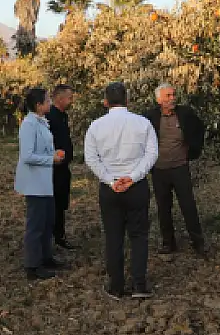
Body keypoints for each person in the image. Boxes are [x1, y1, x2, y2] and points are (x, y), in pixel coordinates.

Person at [83, 81, 158, 298]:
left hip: (110, 188)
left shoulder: (96, 126)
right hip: (136, 187)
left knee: (113, 237)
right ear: (127, 100)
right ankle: (139, 285)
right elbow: (151, 154)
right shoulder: (142, 123)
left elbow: (91, 158)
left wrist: (109, 179)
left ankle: (116, 286)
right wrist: (133, 177)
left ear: (105, 102)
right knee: (139, 235)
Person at [144, 83, 207, 256]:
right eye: (168, 96)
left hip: (180, 167)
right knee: (163, 207)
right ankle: (168, 243)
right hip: (159, 170)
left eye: (173, 95)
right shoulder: (150, 117)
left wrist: (192, 151)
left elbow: (199, 130)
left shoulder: (185, 113)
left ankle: (198, 242)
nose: (172, 99)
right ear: (159, 100)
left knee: (188, 205)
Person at [15, 87, 65, 281]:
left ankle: (46, 257)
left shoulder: (41, 122)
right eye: (47, 101)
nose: (50, 104)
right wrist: (51, 159)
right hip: (34, 183)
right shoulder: (29, 125)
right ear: (38, 105)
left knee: (47, 221)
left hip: (44, 181)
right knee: (36, 224)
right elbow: (27, 156)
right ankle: (33, 265)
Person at [48, 83, 76, 249]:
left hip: (63, 167)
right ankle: (54, 236)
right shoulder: (50, 116)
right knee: (55, 203)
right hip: (53, 168)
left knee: (61, 201)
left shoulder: (63, 115)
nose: (71, 101)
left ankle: (60, 234)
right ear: (60, 98)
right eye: (69, 97)